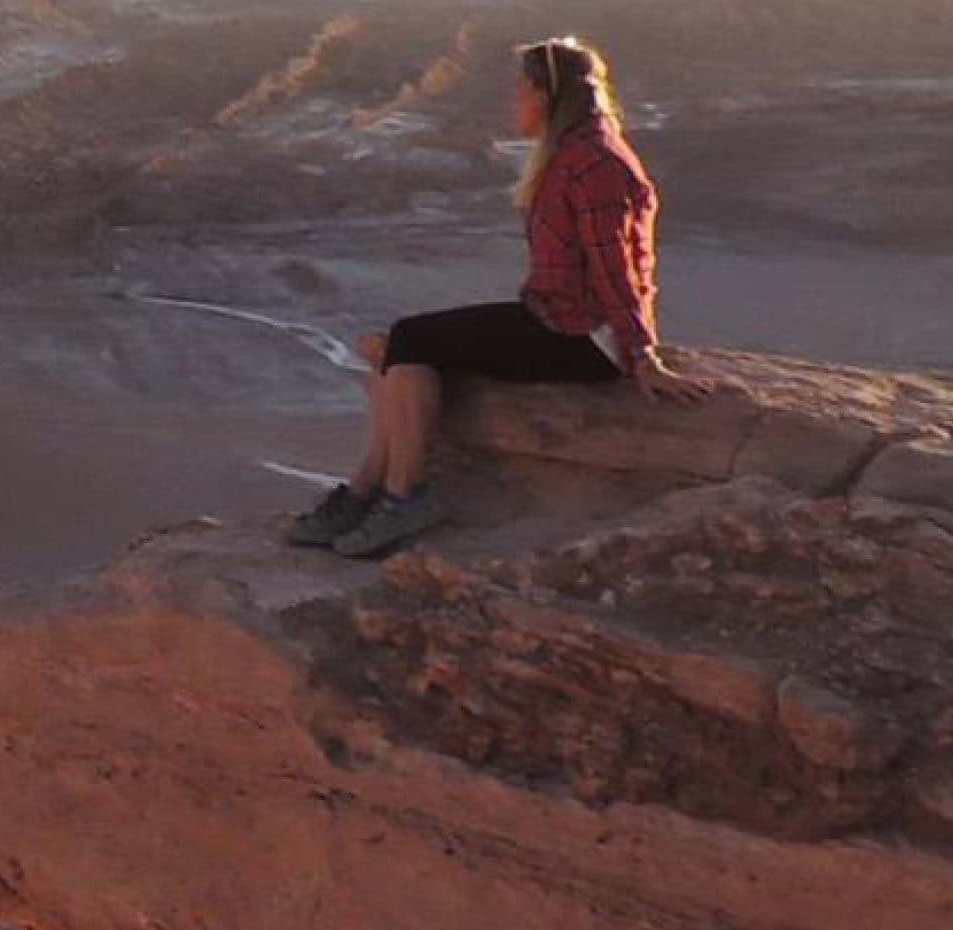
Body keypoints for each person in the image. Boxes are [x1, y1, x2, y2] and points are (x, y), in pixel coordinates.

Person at [283, 33, 695, 561]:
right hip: (555, 319)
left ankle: (402, 497)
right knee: (401, 354)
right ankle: (369, 494)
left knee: (409, 339)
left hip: (579, 336)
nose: (514, 102)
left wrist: (642, 355)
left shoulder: (595, 164)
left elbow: (617, 269)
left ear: (547, 95)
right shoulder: (576, 152)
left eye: (522, 89)